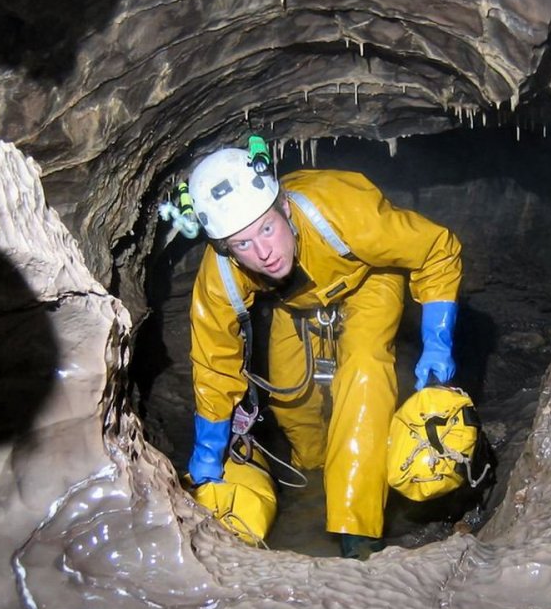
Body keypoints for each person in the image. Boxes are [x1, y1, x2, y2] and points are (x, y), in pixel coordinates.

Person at [184, 143, 462, 558]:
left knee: (364, 373)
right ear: (225, 247)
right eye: (242, 244)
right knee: (289, 401)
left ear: (285, 210)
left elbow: (437, 249)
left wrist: (437, 345)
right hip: (292, 304)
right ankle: (314, 476)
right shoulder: (221, 274)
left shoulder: (344, 211)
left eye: (266, 229)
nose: (263, 252)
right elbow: (213, 362)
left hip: (367, 280)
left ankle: (357, 531)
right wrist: (207, 452)